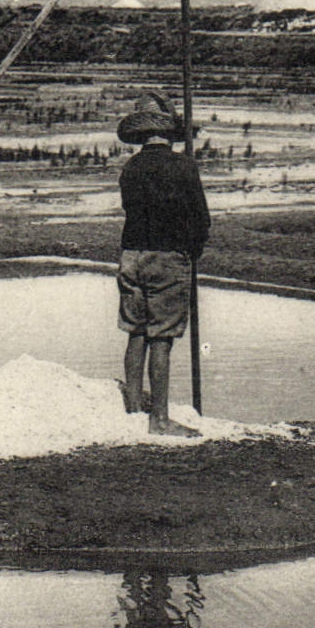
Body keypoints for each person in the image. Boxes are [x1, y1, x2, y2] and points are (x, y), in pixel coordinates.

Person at [115, 92, 209, 437]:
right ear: (170, 131)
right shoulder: (183, 166)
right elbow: (201, 220)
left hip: (131, 254)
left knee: (136, 330)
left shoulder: (131, 167)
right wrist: (192, 250)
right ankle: (159, 419)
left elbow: (130, 209)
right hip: (167, 256)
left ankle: (133, 406)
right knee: (162, 337)